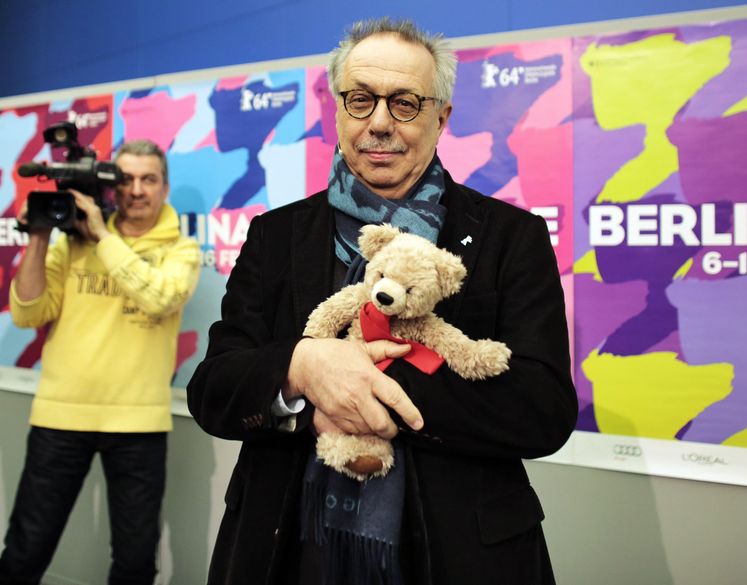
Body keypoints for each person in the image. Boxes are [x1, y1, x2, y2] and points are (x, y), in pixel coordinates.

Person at [187, 17, 577, 585]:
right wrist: (302, 367)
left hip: (459, 555)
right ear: (339, 110)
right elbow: (213, 389)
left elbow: (542, 409)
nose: (378, 123)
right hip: (286, 551)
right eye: (361, 99)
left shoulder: (510, 236)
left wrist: (363, 387)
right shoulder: (276, 234)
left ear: (441, 117)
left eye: (405, 104)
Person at [0, 140, 201, 585]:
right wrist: (38, 238)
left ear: (164, 187)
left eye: (148, 179)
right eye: (126, 179)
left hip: (138, 425)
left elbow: (161, 297)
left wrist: (103, 238)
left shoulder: (181, 249)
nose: (136, 190)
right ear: (111, 185)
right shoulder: (71, 243)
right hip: (60, 417)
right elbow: (28, 314)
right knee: (25, 551)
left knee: (134, 562)